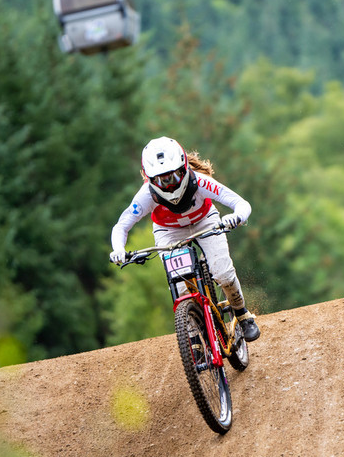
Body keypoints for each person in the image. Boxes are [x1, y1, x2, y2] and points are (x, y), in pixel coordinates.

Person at [109, 136, 260, 341]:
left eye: (173, 177)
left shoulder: (199, 181)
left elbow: (240, 203)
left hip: (205, 220)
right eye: (161, 180)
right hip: (168, 231)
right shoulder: (145, 195)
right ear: (149, 179)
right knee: (181, 287)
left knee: (223, 273)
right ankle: (193, 337)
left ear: (184, 168)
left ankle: (243, 314)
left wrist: (236, 216)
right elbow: (122, 226)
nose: (169, 185)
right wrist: (118, 248)